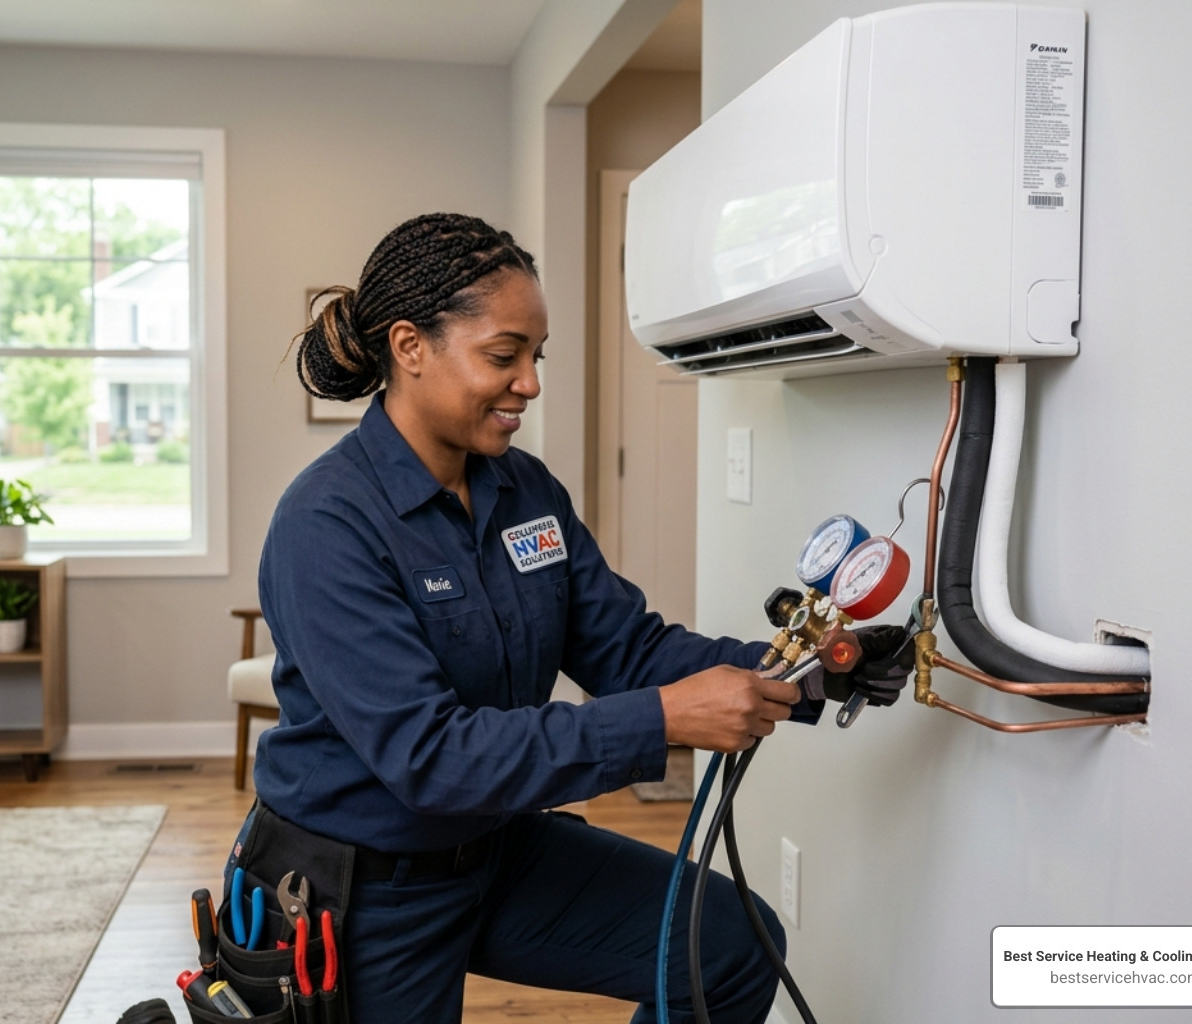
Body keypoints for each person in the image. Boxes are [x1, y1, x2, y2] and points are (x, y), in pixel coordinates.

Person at [242, 213, 818, 1024]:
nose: (531, 384)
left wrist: (800, 666)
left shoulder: (526, 492)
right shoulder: (326, 524)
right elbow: (431, 759)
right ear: (410, 347)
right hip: (362, 887)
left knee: (729, 945)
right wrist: (662, 721)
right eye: (503, 356)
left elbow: (627, 648)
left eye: (535, 357)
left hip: (497, 852)